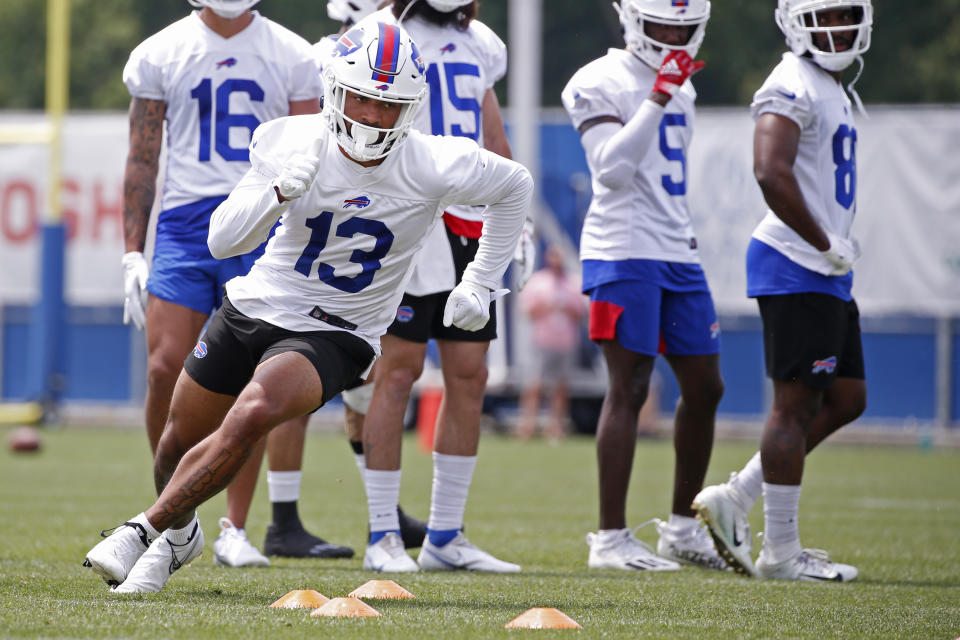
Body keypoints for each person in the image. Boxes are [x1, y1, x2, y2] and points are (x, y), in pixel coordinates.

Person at [83, 18, 531, 595]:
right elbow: (222, 242)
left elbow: (514, 184)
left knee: (255, 408)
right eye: (362, 100)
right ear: (336, 92)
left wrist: (481, 280)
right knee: (175, 439)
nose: (371, 117)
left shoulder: (433, 161)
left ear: (412, 108)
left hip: (340, 329)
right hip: (259, 303)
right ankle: (181, 536)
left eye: (388, 106)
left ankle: (142, 529)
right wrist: (273, 195)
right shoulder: (291, 140)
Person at [117, 0, 350, 568]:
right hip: (185, 221)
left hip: (264, 212)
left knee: (253, 379)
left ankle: (234, 526)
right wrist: (131, 250)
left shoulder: (293, 54)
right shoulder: (159, 52)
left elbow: (313, 148)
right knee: (163, 367)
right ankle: (175, 515)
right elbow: (143, 158)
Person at [693, 0, 872, 582]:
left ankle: (737, 496)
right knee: (793, 406)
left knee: (847, 397)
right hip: (798, 259)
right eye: (827, 16)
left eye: (848, 15)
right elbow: (771, 170)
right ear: (797, 21)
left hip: (823, 264)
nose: (839, 27)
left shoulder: (831, 86)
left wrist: (829, 249)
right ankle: (781, 554)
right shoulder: (792, 79)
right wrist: (822, 241)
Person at [356, 0, 533, 574]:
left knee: (470, 374)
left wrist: (517, 220)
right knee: (399, 369)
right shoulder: (380, 33)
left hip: (473, 219)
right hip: (411, 216)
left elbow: (492, 130)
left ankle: (445, 536)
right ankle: (383, 533)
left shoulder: (481, 41)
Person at [561, 0, 727, 572]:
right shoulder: (598, 79)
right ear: (632, 18)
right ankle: (609, 538)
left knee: (706, 386)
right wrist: (658, 95)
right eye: (663, 24)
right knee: (629, 386)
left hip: (676, 248)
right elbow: (611, 169)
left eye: (685, 27)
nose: (675, 35)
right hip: (623, 249)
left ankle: (682, 528)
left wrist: (668, 89)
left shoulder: (683, 85)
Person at [313, 0, 429, 551]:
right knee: (280, 378)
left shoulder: (440, 50)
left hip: (396, 231)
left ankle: (386, 518)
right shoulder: (316, 61)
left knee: (369, 382)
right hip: (321, 240)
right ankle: (269, 517)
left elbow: (508, 178)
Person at [516, 245, 587, 443]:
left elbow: (582, 312)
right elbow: (527, 310)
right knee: (535, 384)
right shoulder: (539, 281)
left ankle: (555, 427)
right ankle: (527, 425)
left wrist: (566, 307)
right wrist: (545, 306)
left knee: (561, 387)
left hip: (566, 342)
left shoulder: (573, 283)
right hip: (542, 340)